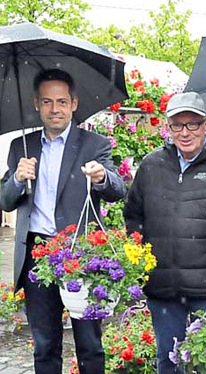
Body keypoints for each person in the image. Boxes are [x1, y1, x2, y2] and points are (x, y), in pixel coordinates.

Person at [0, 69, 126, 374]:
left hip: (79, 253)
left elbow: (117, 190)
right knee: (44, 344)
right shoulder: (22, 147)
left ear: (73, 103)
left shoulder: (94, 144)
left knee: (89, 344)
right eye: (47, 102)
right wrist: (17, 179)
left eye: (61, 102)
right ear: (36, 104)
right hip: (37, 253)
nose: (54, 109)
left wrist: (101, 178)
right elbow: (4, 200)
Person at [124, 91, 206, 374]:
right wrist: (138, 254)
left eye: (192, 124)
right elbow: (133, 214)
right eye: (177, 125)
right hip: (163, 286)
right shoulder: (151, 165)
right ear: (167, 128)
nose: (185, 132)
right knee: (168, 360)